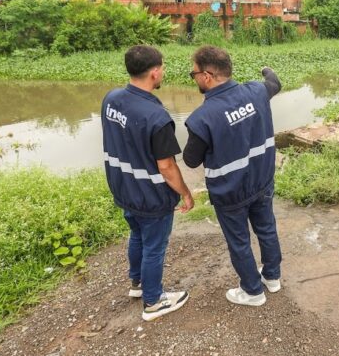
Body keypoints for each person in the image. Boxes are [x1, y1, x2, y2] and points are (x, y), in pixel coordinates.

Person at [183, 46, 282, 307]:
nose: (193, 78)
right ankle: (272, 278)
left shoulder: (202, 118)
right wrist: (266, 70)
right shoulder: (257, 91)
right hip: (262, 181)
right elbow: (274, 82)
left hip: (230, 193)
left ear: (207, 75)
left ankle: (252, 291)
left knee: (239, 241)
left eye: (193, 73)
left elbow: (191, 160)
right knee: (267, 229)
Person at [101, 45, 194, 321]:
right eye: (162, 68)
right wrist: (186, 194)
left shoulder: (111, 99)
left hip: (123, 187)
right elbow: (166, 166)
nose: (163, 71)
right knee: (154, 245)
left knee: (137, 235)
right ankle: (153, 301)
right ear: (154, 73)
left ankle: (138, 283)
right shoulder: (156, 117)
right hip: (151, 195)